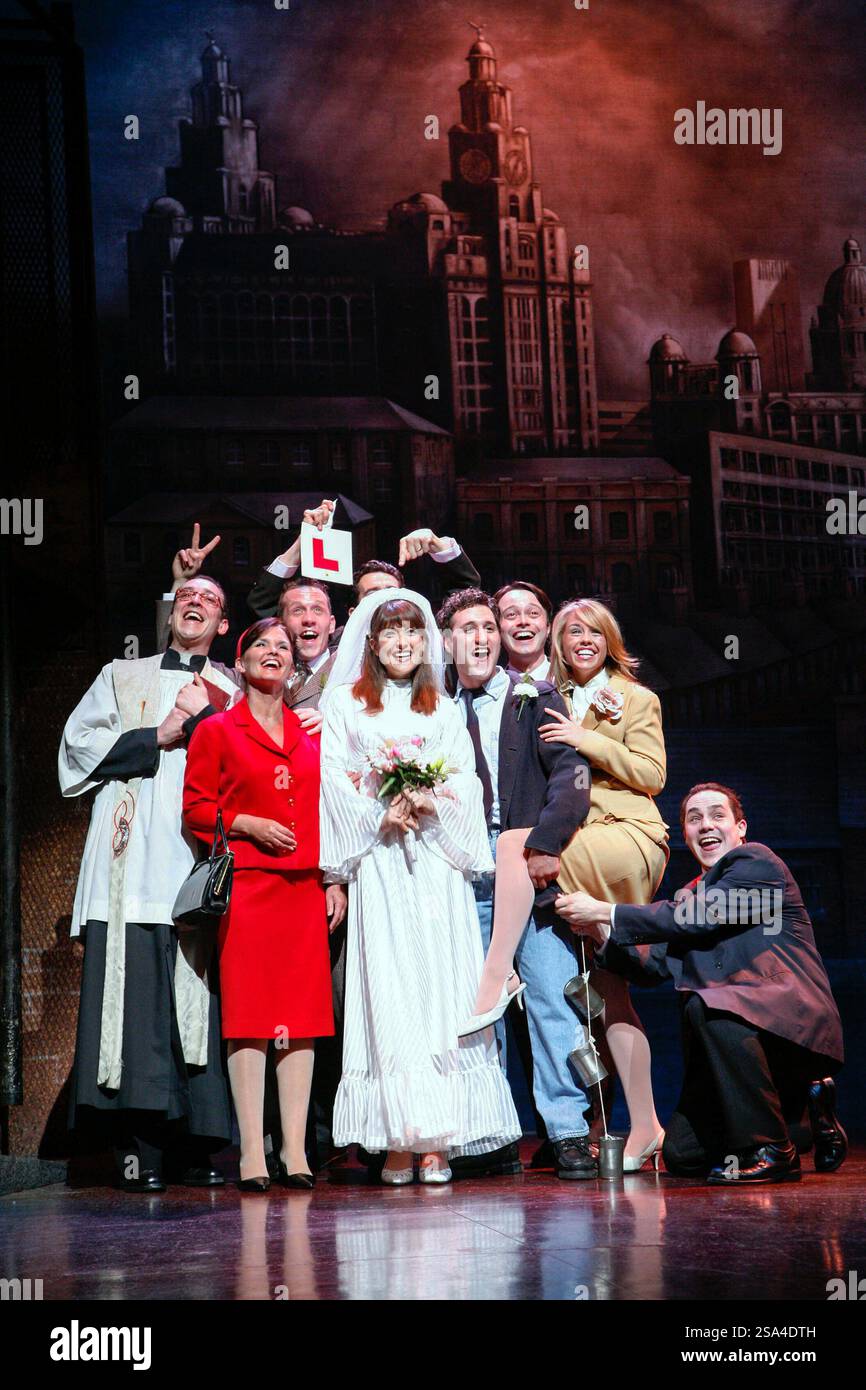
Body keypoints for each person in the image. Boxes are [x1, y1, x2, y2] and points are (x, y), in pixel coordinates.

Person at [318, 588, 521, 1184]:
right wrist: (378, 812)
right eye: (390, 632)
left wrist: (431, 799)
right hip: (381, 862)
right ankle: (397, 1140)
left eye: (412, 631)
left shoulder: (443, 708)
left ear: (426, 639)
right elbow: (334, 781)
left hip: (435, 864)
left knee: (439, 990)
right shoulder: (346, 707)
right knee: (389, 991)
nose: (402, 642)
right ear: (372, 643)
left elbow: (467, 782)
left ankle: (438, 1140)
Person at [557, 782, 847, 1185]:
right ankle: (798, 1115)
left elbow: (699, 917)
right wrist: (600, 934)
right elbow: (653, 966)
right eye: (694, 819)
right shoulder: (690, 896)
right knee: (684, 1155)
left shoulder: (757, 863)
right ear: (686, 836)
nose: (705, 825)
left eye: (716, 816)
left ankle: (774, 1151)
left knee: (708, 1004)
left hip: (784, 1026)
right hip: (733, 1048)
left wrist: (608, 911)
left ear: (740, 827)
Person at [466, 598, 669, 1172]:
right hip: (576, 845)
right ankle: (631, 1123)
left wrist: (586, 739)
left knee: (512, 846)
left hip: (619, 837)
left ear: (610, 639)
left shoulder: (635, 697)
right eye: (572, 631)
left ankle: (496, 972)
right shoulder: (543, 691)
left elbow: (652, 774)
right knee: (601, 995)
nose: (583, 639)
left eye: (594, 631)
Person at [60, 576, 236, 1192]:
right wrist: (156, 736)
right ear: (168, 610)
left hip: (196, 861)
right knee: (135, 1004)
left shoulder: (234, 689)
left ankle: (195, 1146)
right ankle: (142, 1152)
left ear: (222, 624)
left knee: (197, 1000)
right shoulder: (122, 674)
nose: (196, 602)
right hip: (130, 863)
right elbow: (75, 746)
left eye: (211, 600)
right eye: (187, 594)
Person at [437, 589, 598, 1181]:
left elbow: (574, 776)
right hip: (463, 881)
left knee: (555, 1001)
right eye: (466, 629)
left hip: (530, 876)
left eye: (488, 627)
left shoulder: (535, 695)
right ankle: (494, 1131)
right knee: (481, 1011)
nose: (479, 638)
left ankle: (569, 1131)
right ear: (447, 640)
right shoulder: (434, 706)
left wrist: (546, 844)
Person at [183, 618, 347, 1191]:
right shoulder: (218, 730)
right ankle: (254, 1152)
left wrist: (334, 879)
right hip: (249, 886)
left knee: (300, 1022)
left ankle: (296, 1153)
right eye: (262, 646)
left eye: (283, 647)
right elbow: (196, 811)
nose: (274, 652)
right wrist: (246, 822)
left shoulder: (312, 735)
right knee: (251, 1020)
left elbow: (331, 815)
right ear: (243, 659)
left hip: (303, 888)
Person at [246, 498, 482, 623]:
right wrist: (302, 544)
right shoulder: (330, 648)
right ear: (352, 610)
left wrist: (439, 546)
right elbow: (262, 606)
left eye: (391, 592)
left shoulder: (424, 639)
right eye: (372, 593)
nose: (383, 598)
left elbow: (466, 598)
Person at [494, 582, 553, 681]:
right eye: (511, 614)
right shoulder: (488, 689)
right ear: (497, 630)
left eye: (533, 613)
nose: (523, 621)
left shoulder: (573, 683)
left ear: (548, 627)